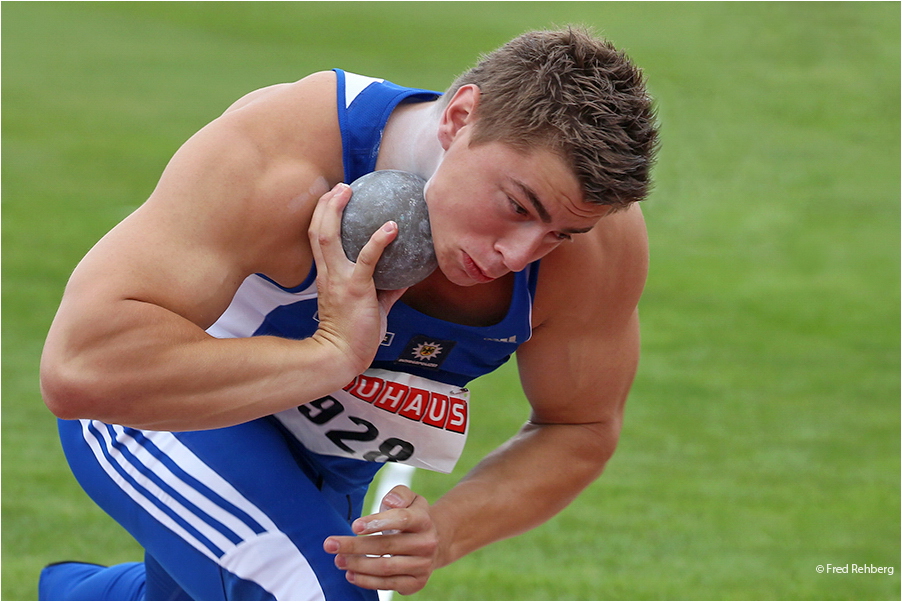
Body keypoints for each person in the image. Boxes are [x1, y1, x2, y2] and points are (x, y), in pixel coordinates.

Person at [38, 26, 658, 601]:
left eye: (560, 235)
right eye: (518, 207)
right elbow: (81, 368)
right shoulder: (284, 155)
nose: (518, 255)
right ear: (460, 117)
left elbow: (578, 428)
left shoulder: (596, 245)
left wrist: (444, 530)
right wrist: (328, 354)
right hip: (162, 416)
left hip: (326, 464)